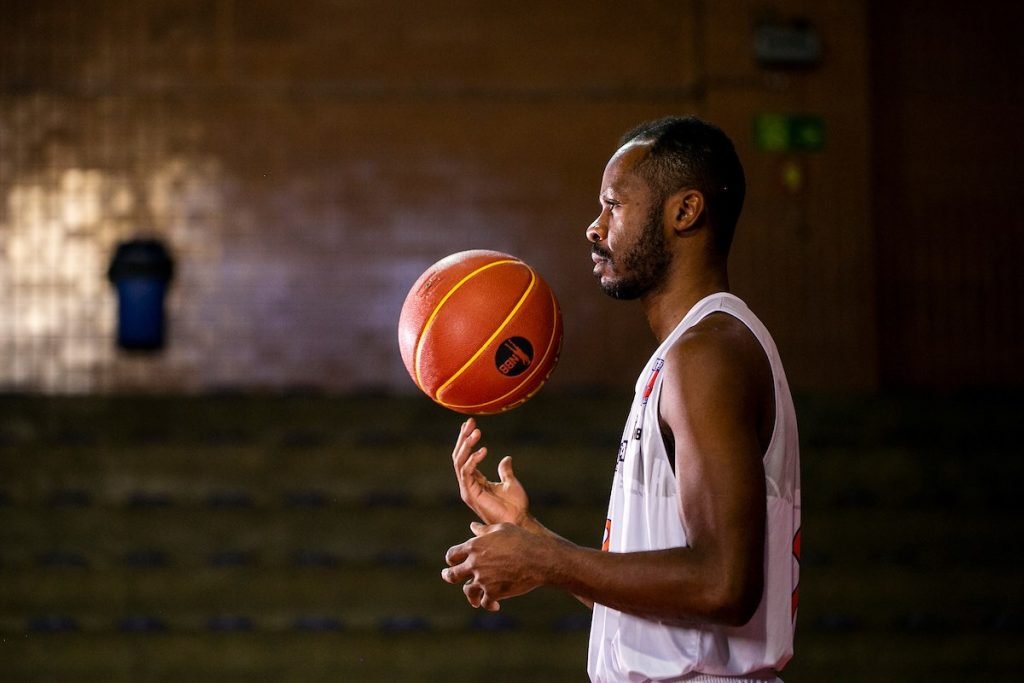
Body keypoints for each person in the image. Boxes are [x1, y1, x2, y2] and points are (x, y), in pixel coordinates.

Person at [441, 115, 801, 682]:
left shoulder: (708, 354)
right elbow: (668, 617)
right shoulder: (688, 353)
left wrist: (548, 560)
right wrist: (535, 540)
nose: (593, 227)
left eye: (613, 204)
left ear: (685, 212)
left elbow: (723, 585)